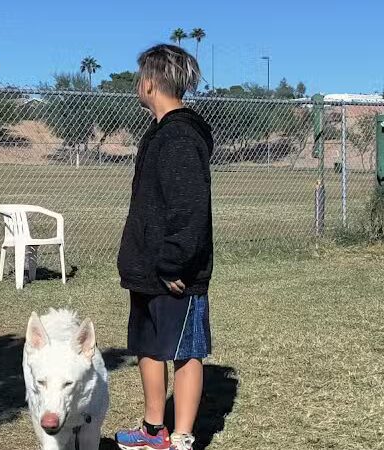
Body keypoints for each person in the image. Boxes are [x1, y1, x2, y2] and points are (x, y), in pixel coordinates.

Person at [115, 44, 214, 450]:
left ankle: (183, 436)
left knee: (185, 350)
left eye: (140, 77)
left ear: (151, 83)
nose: (138, 84)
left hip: (176, 272)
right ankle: (153, 430)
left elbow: (190, 209)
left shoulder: (180, 136)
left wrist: (174, 264)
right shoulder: (157, 135)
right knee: (148, 345)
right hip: (148, 268)